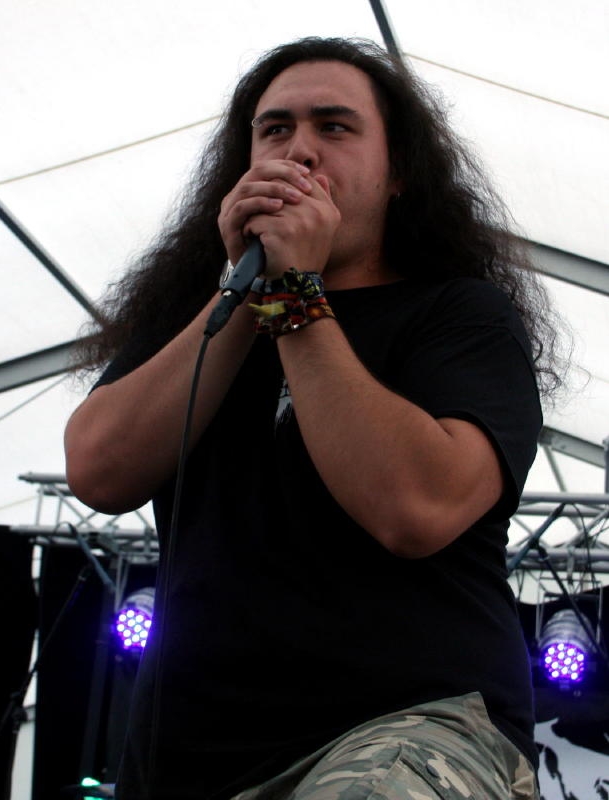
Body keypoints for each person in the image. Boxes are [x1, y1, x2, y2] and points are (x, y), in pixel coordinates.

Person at [64, 37, 559, 800]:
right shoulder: (197, 317)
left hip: (413, 731)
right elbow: (99, 472)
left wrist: (294, 293)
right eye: (274, 130)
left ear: (398, 172)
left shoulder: (461, 315)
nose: (297, 151)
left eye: (333, 127)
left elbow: (417, 508)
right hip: (189, 756)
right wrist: (248, 291)